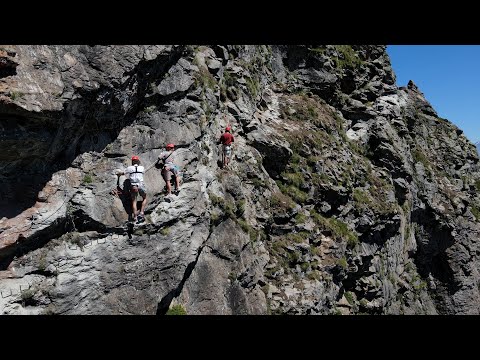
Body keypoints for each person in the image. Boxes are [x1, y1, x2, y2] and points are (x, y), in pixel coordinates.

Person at [116, 155, 147, 223]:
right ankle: (141, 212)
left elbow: (122, 173)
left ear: (132, 161)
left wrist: (118, 174)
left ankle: (135, 217)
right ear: (138, 161)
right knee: (144, 198)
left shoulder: (129, 168)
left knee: (134, 201)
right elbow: (143, 172)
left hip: (133, 186)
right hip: (141, 185)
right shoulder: (142, 167)